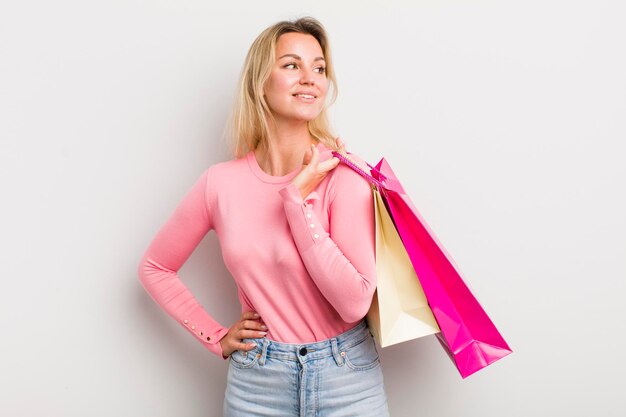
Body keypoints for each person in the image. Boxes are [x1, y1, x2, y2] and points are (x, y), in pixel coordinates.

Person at [137, 16, 390, 416]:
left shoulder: (344, 176)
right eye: (292, 65)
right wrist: (214, 335)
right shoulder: (219, 184)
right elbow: (155, 267)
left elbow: (354, 302)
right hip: (258, 383)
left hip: (346, 379)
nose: (310, 78)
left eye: (319, 68)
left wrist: (296, 203)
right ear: (260, 81)